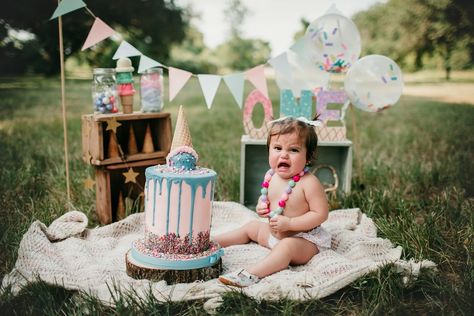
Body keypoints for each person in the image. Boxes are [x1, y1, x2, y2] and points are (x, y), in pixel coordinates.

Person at [215, 117, 331, 287]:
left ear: (308, 157)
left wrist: (290, 223)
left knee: (286, 247)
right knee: (251, 227)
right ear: (269, 151)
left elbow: (321, 214)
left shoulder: (309, 183)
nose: (283, 154)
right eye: (277, 148)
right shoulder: (271, 176)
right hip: (273, 234)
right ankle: (213, 242)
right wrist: (262, 206)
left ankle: (251, 274)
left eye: (293, 150)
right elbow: (267, 199)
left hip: (304, 241)